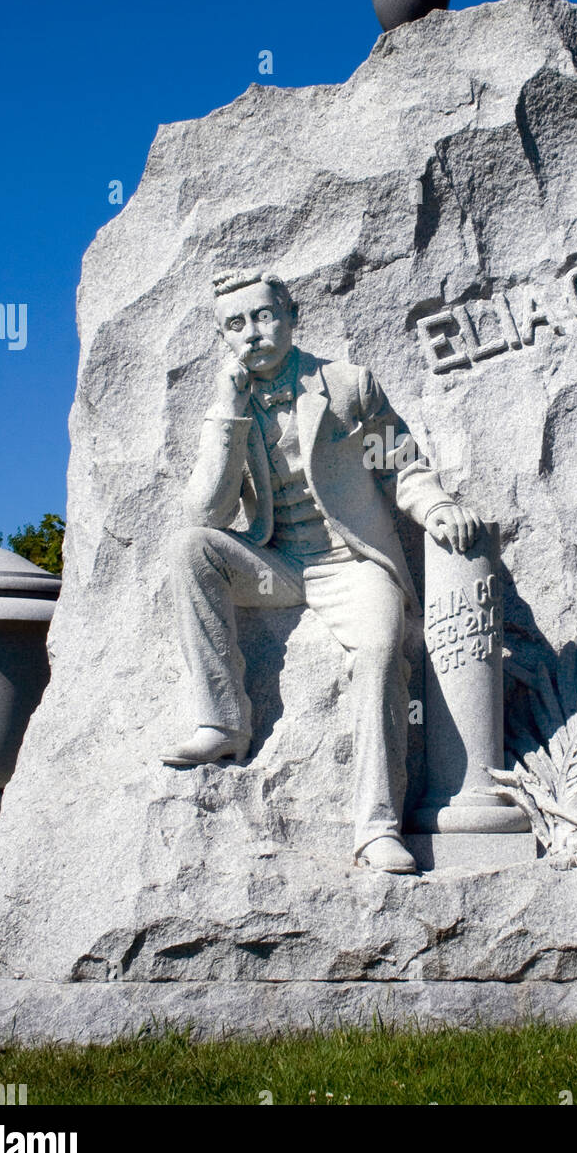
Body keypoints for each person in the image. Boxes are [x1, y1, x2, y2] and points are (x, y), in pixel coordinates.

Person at [163, 269, 480, 873]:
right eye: (235, 325)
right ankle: (223, 722)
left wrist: (436, 506)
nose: (252, 333)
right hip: (276, 563)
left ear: (290, 314)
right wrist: (228, 417)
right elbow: (207, 513)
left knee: (382, 653)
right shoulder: (228, 406)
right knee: (188, 548)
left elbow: (401, 465)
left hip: (352, 562)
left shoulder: (347, 384)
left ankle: (378, 827)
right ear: (224, 340)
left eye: (262, 316)